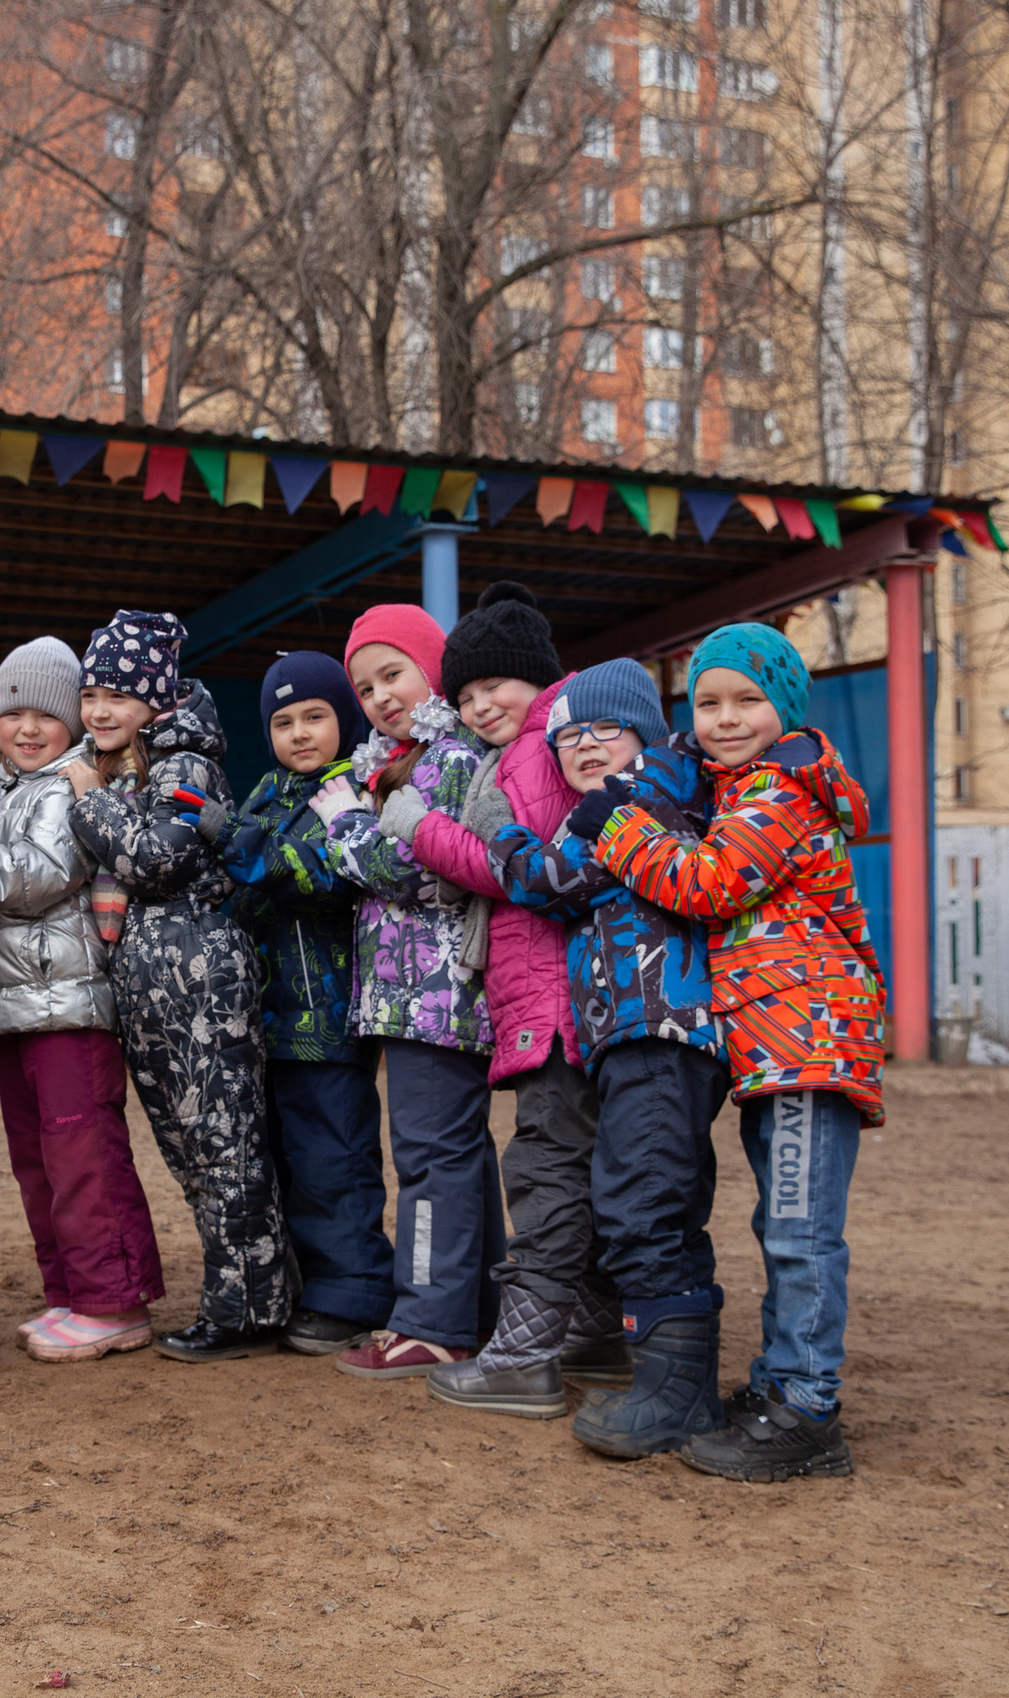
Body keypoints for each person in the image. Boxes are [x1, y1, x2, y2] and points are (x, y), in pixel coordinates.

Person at [571, 623, 885, 1482]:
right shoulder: (750, 785)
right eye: (708, 702)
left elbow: (707, 885)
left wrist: (619, 827)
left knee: (799, 1230)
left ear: (783, 708)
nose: (724, 717)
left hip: (808, 1043)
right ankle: (784, 1384)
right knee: (783, 1223)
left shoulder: (778, 792)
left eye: (747, 699)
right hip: (780, 1047)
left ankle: (807, 1409)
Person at [383, 583, 633, 1420]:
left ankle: (525, 1355)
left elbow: (520, 871)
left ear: (538, 677)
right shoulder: (529, 747)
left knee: (547, 1170)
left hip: (557, 1001)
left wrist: (417, 827)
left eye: (495, 684)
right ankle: (594, 1330)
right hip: (549, 999)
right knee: (574, 1166)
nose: (480, 704)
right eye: (464, 693)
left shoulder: (546, 747)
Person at [488, 657, 728, 1455]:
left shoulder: (645, 792)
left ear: (645, 733)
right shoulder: (624, 794)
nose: (585, 746)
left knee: (647, 1199)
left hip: (662, 1029)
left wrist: (503, 835)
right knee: (637, 1196)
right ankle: (664, 1376)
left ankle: (675, 1392)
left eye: (605, 730)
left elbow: (557, 877)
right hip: (628, 1035)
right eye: (567, 738)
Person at [0, 637, 165, 1363]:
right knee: (35, 1156)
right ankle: (71, 1291)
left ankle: (112, 1298)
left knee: (82, 1150)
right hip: (21, 1007)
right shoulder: (8, 794)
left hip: (70, 1007)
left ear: (73, 723)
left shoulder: (71, 787)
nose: (25, 728)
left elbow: (25, 880)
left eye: (44, 714)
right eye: (11, 712)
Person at [71, 610, 291, 1363]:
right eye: (90, 693)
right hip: (163, 983)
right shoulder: (140, 761)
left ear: (154, 699)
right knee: (193, 1147)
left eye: (116, 695)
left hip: (200, 978)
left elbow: (155, 861)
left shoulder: (185, 761)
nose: (98, 710)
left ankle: (247, 1310)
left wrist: (87, 801)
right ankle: (246, 1295)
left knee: (222, 1142)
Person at [318, 604, 502, 1379]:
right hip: (416, 995)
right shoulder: (406, 753)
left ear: (431, 665)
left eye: (392, 672)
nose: (380, 694)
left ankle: (431, 1320)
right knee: (455, 1153)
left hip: (437, 995)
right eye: (364, 686)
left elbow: (418, 868)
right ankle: (480, 1308)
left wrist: (345, 826)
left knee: (430, 1157)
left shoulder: (448, 754)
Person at [213, 651, 389, 1357]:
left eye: (315, 716)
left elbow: (318, 874)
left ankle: (353, 1291)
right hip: (268, 1013)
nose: (300, 733)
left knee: (333, 1156)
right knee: (284, 1156)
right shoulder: (265, 792)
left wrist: (229, 839)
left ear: (343, 720)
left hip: (328, 1014)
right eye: (283, 721)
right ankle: (302, 1285)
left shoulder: (349, 794)